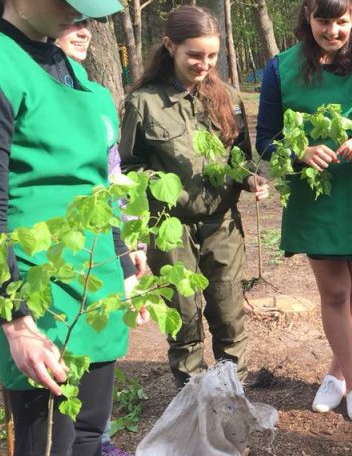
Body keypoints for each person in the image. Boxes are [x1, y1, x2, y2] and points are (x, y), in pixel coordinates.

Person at [0, 0, 136, 456]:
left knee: (90, 430)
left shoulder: (72, 70)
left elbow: (99, 185)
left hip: (94, 277)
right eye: (68, 2)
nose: (79, 16)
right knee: (48, 451)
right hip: (35, 285)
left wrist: (123, 264)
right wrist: (17, 321)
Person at [254, 0, 352, 423]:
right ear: (307, 18)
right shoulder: (280, 69)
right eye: (323, 21)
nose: (332, 30)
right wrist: (299, 152)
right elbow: (265, 140)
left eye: (341, 21)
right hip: (314, 197)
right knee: (334, 291)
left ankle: (335, 374)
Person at [119, 5, 270, 388]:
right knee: (184, 318)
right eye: (195, 55)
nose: (204, 64)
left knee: (228, 315)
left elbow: (240, 158)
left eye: (212, 55)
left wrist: (250, 179)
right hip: (170, 229)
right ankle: (194, 397)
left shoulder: (228, 97)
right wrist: (160, 182)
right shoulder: (144, 103)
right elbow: (129, 168)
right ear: (170, 46)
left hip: (222, 225)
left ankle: (232, 395)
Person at [54, 19, 137, 456]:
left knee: (98, 342)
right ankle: (54, 451)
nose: (83, 31)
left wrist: (129, 249)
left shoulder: (97, 95)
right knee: (58, 352)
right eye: (72, 20)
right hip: (50, 249)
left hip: (100, 242)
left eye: (87, 22)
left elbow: (112, 175)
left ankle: (95, 441)